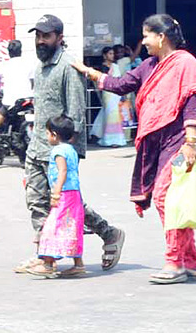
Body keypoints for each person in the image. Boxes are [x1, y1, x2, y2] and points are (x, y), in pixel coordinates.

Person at [72, 15, 196, 284]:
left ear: (161, 37)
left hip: (179, 139)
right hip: (156, 142)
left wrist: (191, 142)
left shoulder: (185, 64)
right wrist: (89, 71)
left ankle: (174, 262)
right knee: (173, 200)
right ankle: (191, 261)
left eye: (146, 36)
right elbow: (121, 86)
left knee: (166, 198)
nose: (143, 42)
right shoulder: (149, 65)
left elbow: (192, 98)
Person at [14, 15, 124, 276]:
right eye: (38, 36)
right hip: (37, 146)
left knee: (67, 204)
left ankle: (109, 233)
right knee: (36, 201)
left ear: (59, 38)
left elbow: (75, 113)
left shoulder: (69, 66)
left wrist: (66, 152)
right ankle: (44, 254)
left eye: (46, 36)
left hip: (58, 150)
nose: (41, 41)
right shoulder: (41, 65)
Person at [30, 116, 86, 277]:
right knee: (72, 226)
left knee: (52, 226)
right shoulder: (71, 149)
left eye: (47, 133)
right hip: (74, 193)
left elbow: (63, 171)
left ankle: (48, 264)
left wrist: (55, 192)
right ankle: (78, 264)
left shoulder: (59, 151)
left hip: (64, 194)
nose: (47, 137)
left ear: (54, 134)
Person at [0, 39, 34, 167]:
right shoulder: (29, 64)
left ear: (9, 52)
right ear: (20, 51)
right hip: (28, 100)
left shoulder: (4, 65)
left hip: (11, 103)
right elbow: (34, 82)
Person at [89, 46, 127, 147]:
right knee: (110, 116)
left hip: (116, 93)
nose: (112, 56)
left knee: (116, 116)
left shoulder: (115, 66)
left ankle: (116, 139)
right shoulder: (102, 67)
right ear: (104, 55)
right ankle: (109, 139)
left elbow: (119, 79)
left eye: (113, 54)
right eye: (110, 54)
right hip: (107, 93)